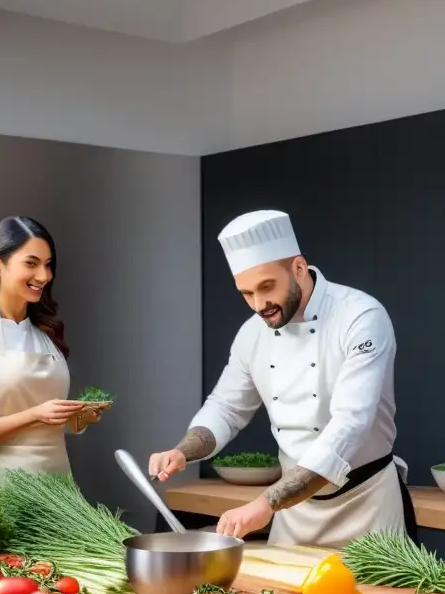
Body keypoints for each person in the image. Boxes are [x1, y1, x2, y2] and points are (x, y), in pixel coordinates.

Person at [148, 210, 417, 547]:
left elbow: (351, 424)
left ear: (299, 268)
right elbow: (226, 407)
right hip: (294, 511)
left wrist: (266, 503)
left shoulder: (361, 316)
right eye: (246, 293)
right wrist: (183, 451)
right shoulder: (252, 334)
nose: (259, 304)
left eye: (267, 286)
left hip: (367, 504)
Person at [0, 216, 104, 478]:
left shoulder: (45, 332)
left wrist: (77, 418)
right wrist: (36, 415)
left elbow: (48, 424)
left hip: (57, 484)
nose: (44, 276)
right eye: (31, 263)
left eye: (48, 265)